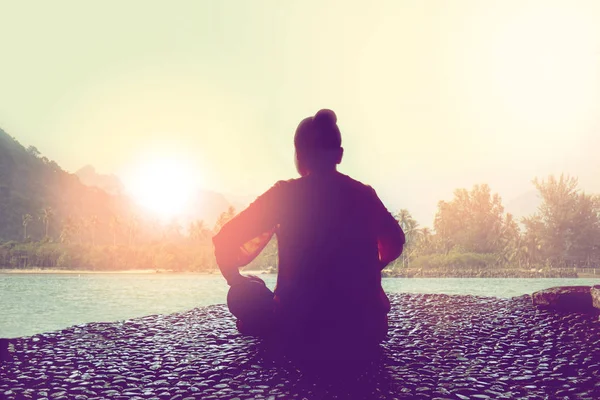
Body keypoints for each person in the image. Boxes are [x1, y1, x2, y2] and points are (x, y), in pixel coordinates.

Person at [213, 109, 405, 359]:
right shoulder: (364, 195)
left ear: (299, 156)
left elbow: (226, 239)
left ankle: (268, 327)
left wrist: (236, 282)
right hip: (364, 328)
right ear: (340, 155)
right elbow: (396, 241)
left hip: (299, 327)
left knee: (243, 294)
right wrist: (368, 268)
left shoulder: (285, 195)